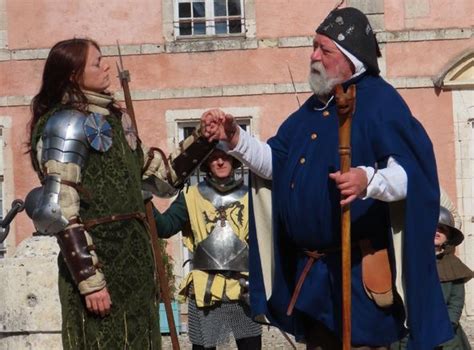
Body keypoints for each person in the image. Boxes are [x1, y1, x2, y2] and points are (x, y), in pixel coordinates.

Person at [200, 7, 453, 350]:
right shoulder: (314, 108)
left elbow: (411, 174)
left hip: (357, 272)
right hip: (313, 273)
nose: (314, 57)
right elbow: (277, 163)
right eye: (313, 46)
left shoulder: (380, 102)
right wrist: (234, 140)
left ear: (350, 59)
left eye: (324, 50)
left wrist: (369, 179)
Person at [25, 38, 214, 349]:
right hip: (101, 269)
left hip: (136, 269)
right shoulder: (65, 124)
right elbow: (58, 209)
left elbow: (161, 180)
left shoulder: (115, 121)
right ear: (74, 74)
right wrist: (90, 281)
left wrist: (203, 139)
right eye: (97, 62)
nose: (106, 67)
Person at [153, 145, 262, 350]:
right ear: (207, 164)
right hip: (205, 288)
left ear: (234, 161)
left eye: (225, 157)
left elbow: (264, 240)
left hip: (243, 287)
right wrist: (146, 202)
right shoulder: (191, 196)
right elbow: (166, 227)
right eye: (214, 158)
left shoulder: (252, 196)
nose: (220, 162)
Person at [392, 206, 473, 350]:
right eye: (434, 227)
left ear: (448, 237)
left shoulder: (454, 265)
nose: (438, 231)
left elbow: (456, 302)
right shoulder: (408, 259)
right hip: (410, 331)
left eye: (443, 229)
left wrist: (444, 327)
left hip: (445, 334)